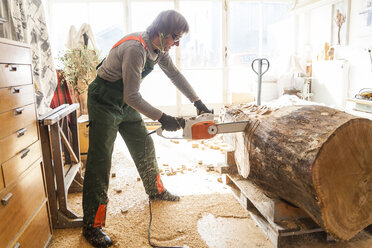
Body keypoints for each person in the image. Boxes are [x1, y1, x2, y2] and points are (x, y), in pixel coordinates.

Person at [82, 9, 212, 248]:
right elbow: (132, 96)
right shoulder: (136, 49)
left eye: (180, 38)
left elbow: (174, 74)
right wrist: (164, 118)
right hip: (104, 99)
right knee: (100, 160)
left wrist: (198, 102)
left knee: (144, 143)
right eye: (175, 37)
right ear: (161, 33)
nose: (177, 43)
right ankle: (92, 225)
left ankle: (156, 190)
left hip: (122, 101)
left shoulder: (158, 49)